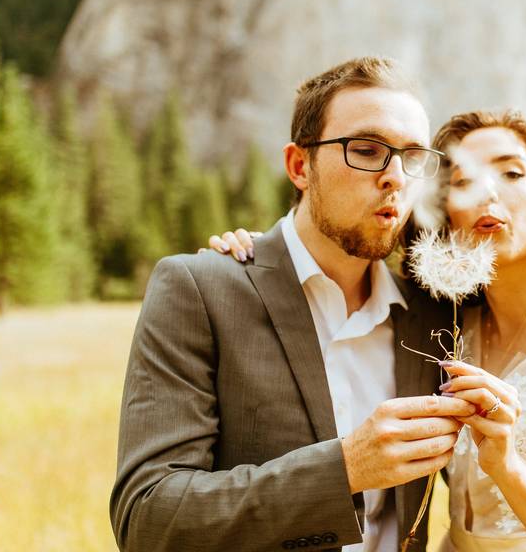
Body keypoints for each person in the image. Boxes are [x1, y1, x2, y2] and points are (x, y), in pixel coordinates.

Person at [214, 110, 526, 551]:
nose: (488, 192)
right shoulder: (445, 326)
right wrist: (260, 255)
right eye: (463, 182)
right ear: (443, 218)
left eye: (511, 172)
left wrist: (507, 467)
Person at [110, 57, 478, 552]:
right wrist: (345, 468)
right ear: (300, 166)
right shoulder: (198, 289)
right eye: (366, 150)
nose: (395, 177)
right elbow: (148, 517)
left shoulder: (435, 317)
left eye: (412, 156)